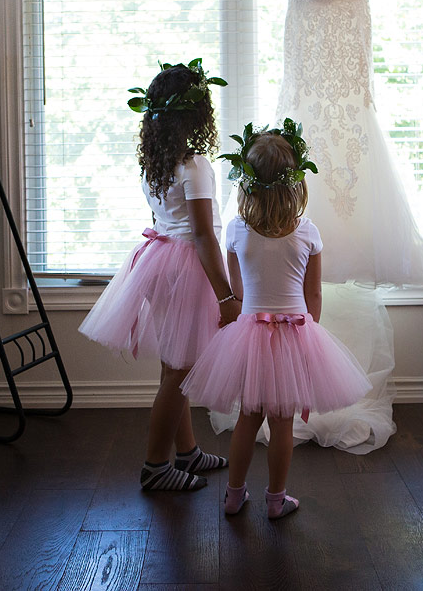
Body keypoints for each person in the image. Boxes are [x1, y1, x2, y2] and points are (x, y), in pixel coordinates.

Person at [181, 121, 373, 518]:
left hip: (249, 333)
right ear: (295, 183)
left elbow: (238, 290)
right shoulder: (307, 233)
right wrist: (310, 336)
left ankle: (234, 496)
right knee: (282, 425)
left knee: (247, 421)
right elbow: (313, 295)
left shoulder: (236, 231)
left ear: (248, 183)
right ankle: (275, 500)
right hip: (293, 334)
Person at [79, 59, 240, 491]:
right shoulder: (195, 165)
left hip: (158, 262)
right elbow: (205, 236)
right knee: (180, 370)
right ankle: (155, 466)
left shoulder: (158, 162)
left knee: (174, 364)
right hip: (186, 267)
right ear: (195, 114)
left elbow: (165, 217)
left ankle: (185, 452)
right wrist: (227, 297)